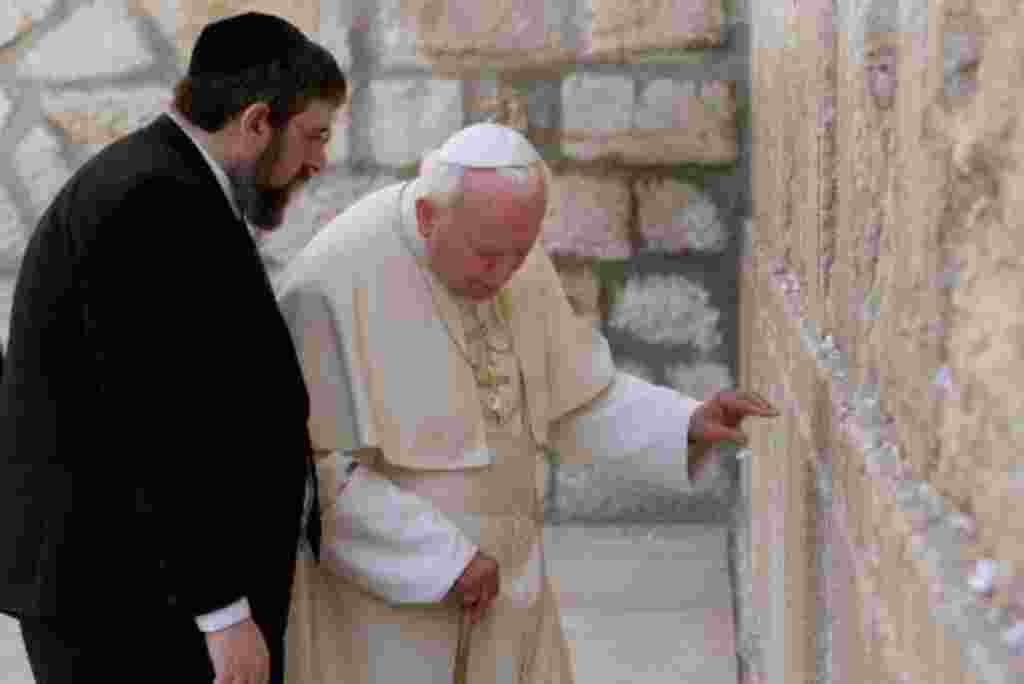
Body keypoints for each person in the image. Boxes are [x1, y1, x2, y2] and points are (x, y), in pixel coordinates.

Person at [275, 122, 779, 683]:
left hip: (510, 585)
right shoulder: (330, 281)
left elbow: (568, 395)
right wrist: (441, 560)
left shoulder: (510, 254)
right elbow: (314, 477)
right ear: (426, 217)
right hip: (392, 615)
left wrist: (684, 422)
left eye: (521, 254)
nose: (505, 274)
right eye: (489, 256)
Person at [0, 12, 346, 684]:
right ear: (255, 123)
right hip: (128, 607)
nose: (318, 161)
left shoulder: (170, 181)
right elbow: (161, 426)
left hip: (141, 593)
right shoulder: (153, 198)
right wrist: (222, 613)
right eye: (313, 135)